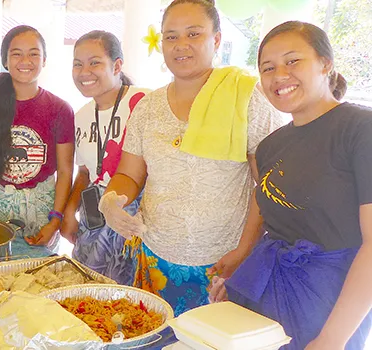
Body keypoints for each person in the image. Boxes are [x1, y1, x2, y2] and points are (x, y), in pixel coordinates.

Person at [98, 0, 283, 316]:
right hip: (155, 256)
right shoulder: (147, 107)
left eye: (193, 34)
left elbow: (267, 186)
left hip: (224, 263)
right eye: (171, 36)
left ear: (216, 40)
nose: (180, 45)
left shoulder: (248, 100)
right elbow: (129, 174)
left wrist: (245, 250)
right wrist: (112, 202)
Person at [216, 21, 372, 350]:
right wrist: (243, 264)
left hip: (330, 307)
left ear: (326, 64)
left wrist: (333, 338)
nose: (279, 75)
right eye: (267, 68)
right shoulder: (271, 147)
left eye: (293, 61)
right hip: (268, 296)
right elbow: (273, 214)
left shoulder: (360, 129)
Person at [0, 25, 74, 252]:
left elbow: (65, 171)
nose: (26, 60)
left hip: (42, 213)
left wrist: (55, 221)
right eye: (16, 53)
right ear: (5, 60)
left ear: (44, 60)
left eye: (34, 53)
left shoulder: (60, 109)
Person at [62, 30, 151, 285]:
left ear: (117, 65)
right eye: (77, 64)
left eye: (94, 62)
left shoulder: (143, 101)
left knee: (134, 297)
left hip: (136, 218)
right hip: (93, 221)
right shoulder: (81, 115)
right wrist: (69, 212)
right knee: (89, 294)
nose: (84, 72)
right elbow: (86, 173)